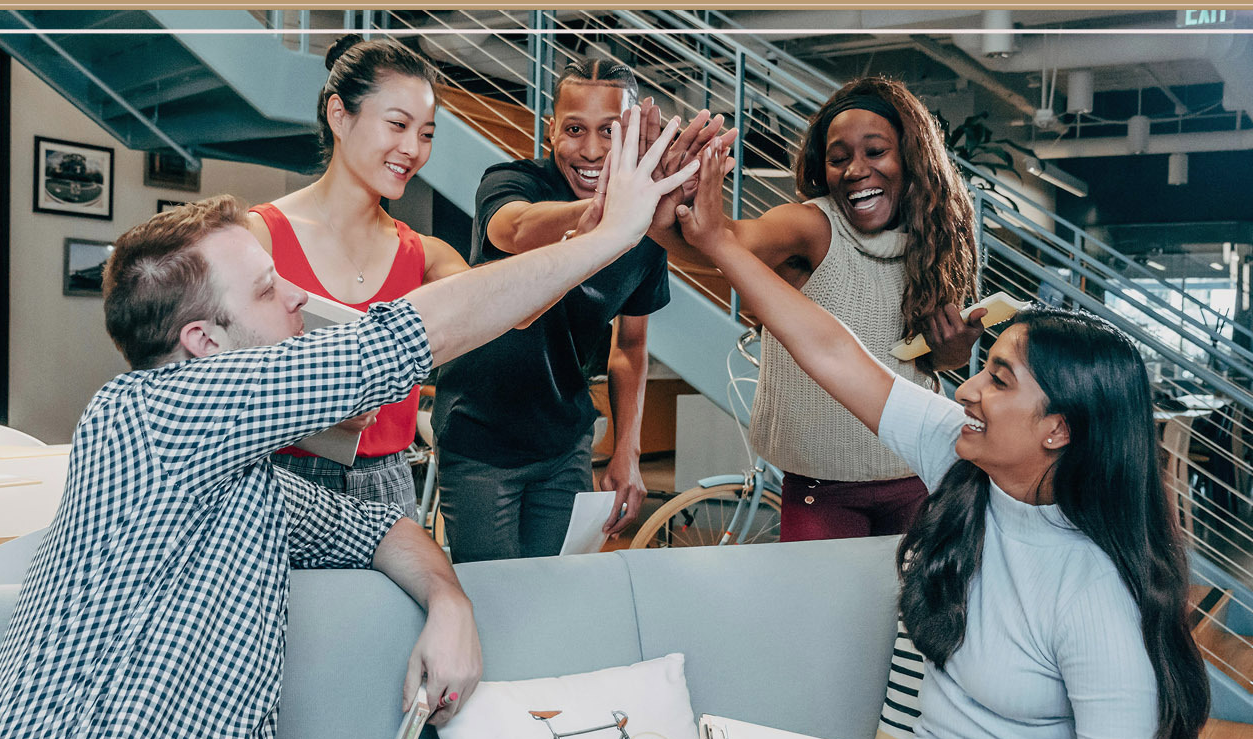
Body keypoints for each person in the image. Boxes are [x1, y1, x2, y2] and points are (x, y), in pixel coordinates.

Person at [0, 112, 698, 739]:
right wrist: (611, 236)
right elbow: (407, 337)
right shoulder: (148, 415)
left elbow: (380, 528)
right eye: (270, 289)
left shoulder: (236, 477)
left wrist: (450, 601)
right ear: (203, 342)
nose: (300, 299)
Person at [674, 141, 1210, 739]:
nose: (966, 388)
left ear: (1059, 430)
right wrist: (718, 244)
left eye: (1000, 381)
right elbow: (832, 350)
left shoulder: (1096, 595)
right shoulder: (963, 460)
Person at [652, 76, 984, 543]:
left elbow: (927, 365)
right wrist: (669, 201)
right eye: (839, 158)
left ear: (912, 159)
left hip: (918, 475)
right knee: (820, 615)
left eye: (875, 152)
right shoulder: (810, 226)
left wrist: (954, 350)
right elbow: (723, 243)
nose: (855, 170)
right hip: (821, 488)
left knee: (912, 616)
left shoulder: (932, 243)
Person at [430, 59, 729, 562]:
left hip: (565, 444)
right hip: (480, 439)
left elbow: (630, 348)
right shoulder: (510, 181)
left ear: (635, 134)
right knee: (493, 601)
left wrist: (627, 452)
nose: (590, 151)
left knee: (554, 596)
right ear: (551, 131)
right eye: (574, 129)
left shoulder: (646, 229)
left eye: (610, 132)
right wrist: (610, 215)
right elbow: (517, 229)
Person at [247, 36, 469, 515]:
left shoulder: (425, 256)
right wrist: (319, 409)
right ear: (339, 115)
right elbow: (213, 380)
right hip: (279, 482)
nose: (411, 149)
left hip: (390, 485)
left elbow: (508, 314)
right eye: (397, 125)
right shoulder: (257, 237)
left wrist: (588, 240)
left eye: (427, 134)